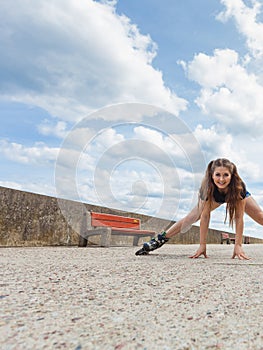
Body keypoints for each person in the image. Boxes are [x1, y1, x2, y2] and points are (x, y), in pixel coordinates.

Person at [135, 158, 263, 259]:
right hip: (214, 197)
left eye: (226, 175)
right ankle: (160, 239)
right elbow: (205, 216)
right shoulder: (207, 188)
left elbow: (239, 217)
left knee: (260, 216)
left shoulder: (238, 187)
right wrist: (202, 245)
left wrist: (238, 246)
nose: (222, 179)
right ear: (212, 175)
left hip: (233, 194)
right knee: (192, 217)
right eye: (218, 175)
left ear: (232, 176)